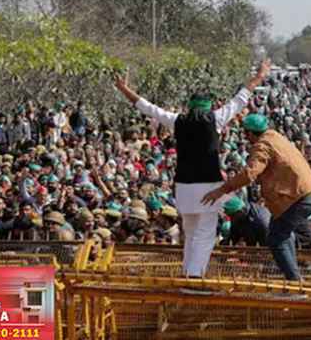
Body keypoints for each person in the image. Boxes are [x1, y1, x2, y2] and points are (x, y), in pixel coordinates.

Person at [114, 59, 271, 280]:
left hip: (184, 188)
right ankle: (194, 277)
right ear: (210, 106)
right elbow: (241, 97)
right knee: (205, 234)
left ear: (191, 106)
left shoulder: (177, 121)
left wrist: (124, 88)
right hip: (209, 186)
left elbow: (147, 107)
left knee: (190, 233)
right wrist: (261, 75)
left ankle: (187, 273)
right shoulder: (216, 118)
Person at [202, 113, 311, 281]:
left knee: (276, 238)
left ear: (250, 133)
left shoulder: (263, 145)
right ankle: (293, 275)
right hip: (307, 193)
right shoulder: (276, 137)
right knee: (281, 232)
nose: (245, 137)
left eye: (246, 134)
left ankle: (295, 281)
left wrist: (222, 189)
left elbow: (250, 173)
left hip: (296, 197)